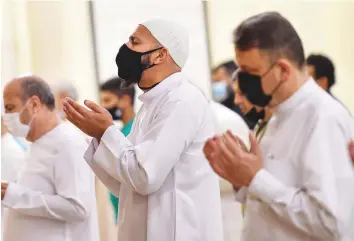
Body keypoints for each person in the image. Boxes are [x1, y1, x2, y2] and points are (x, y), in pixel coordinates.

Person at [62, 17, 223, 241]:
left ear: (160, 54)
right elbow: (126, 185)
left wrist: (105, 132)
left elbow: (145, 177)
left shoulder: (182, 100)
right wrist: (99, 138)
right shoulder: (151, 104)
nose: (127, 48)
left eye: (135, 42)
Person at [204, 12, 354, 241]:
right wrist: (239, 178)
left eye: (250, 73)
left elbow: (331, 223)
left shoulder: (323, 118)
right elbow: (270, 203)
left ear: (283, 70)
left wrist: (255, 179)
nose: (243, 82)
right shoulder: (276, 116)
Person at [1, 75, 99, 241]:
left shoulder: (67, 142)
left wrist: (16, 195)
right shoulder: (38, 143)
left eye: (10, 108)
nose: (5, 116)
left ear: (34, 105)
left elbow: (78, 208)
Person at [99, 77, 136, 224]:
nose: (103, 107)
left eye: (107, 101)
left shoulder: (136, 132)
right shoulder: (119, 133)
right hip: (121, 214)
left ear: (125, 100)